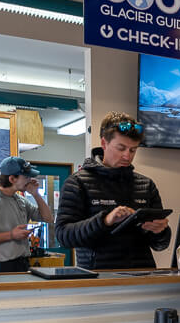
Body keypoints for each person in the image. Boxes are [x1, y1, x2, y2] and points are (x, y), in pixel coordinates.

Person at [55, 113, 171, 269]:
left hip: (142, 277)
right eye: (121, 148)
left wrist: (160, 231)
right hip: (99, 280)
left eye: (133, 150)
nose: (127, 156)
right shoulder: (77, 182)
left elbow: (160, 245)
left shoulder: (146, 185)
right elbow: (64, 236)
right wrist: (104, 221)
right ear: (104, 143)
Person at [0, 156, 54, 273]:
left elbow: (48, 218)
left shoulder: (21, 200)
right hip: (2, 266)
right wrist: (11, 235)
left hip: (23, 262)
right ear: (12, 179)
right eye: (26, 177)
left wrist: (36, 194)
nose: (30, 180)